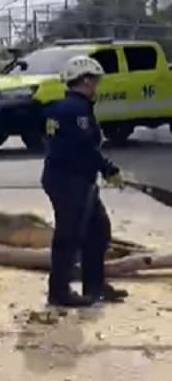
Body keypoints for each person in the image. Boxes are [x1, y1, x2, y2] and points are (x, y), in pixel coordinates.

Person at [42, 55, 127, 308]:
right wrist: (109, 169)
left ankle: (95, 286)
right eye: (96, 82)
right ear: (86, 81)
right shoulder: (76, 111)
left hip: (73, 179)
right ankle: (59, 293)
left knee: (97, 231)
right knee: (69, 237)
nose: (97, 88)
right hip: (70, 181)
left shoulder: (60, 107)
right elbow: (85, 149)